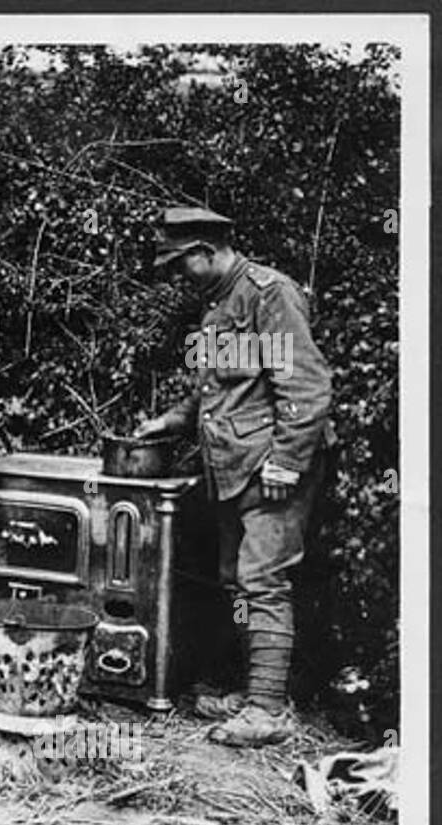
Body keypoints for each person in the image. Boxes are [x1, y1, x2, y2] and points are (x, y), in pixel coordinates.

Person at [134, 206, 336, 748]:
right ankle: (254, 692)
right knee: (235, 578)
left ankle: (268, 710)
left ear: (206, 249)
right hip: (231, 466)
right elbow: (215, 390)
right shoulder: (218, 304)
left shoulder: (271, 294)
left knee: (263, 580)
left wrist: (287, 462)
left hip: (268, 466)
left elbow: (307, 387)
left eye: (181, 265)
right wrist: (172, 421)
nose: (177, 277)